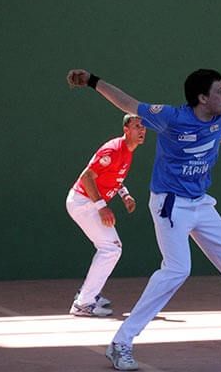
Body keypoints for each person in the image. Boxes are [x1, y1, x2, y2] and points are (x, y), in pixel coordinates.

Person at [66, 68, 221, 371]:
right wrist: (91, 81)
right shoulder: (170, 117)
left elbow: (207, 135)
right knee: (177, 269)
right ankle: (121, 343)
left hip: (201, 203)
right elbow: (129, 103)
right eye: (220, 91)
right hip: (170, 204)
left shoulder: (220, 120)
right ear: (202, 97)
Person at [66, 114, 146, 317]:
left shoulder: (128, 151)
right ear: (126, 130)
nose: (142, 130)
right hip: (83, 203)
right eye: (137, 126)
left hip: (90, 203)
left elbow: (114, 177)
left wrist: (125, 196)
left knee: (110, 248)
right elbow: (86, 177)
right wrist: (102, 207)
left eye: (143, 127)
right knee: (111, 248)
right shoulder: (113, 149)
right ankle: (83, 303)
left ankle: (87, 294)